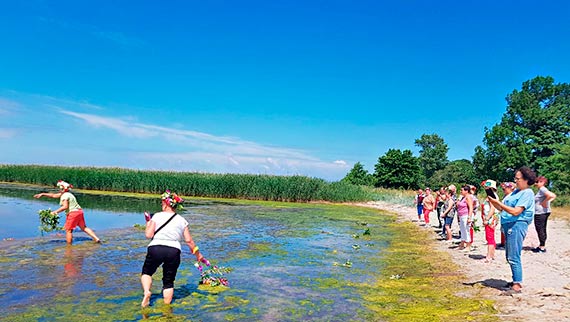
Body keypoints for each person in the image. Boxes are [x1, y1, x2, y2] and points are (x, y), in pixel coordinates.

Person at [141, 190, 210, 308]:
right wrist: (198, 255)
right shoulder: (182, 220)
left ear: (167, 203)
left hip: (156, 248)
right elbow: (189, 241)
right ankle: (167, 310)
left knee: (147, 272)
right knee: (168, 281)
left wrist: (148, 222)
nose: (161, 204)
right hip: (173, 251)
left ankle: (147, 291)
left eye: (162, 202)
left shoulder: (157, 216)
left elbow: (148, 235)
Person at [487, 166, 536, 294]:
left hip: (517, 224)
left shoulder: (527, 193)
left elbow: (516, 211)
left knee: (514, 256)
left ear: (526, 180)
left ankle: (517, 285)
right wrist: (492, 199)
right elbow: (501, 208)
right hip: (509, 224)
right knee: (509, 255)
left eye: (518, 178)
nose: (516, 181)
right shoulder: (514, 193)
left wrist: (499, 204)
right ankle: (515, 280)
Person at [34, 180, 101, 244]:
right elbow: (54, 195)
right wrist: (42, 194)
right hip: (79, 212)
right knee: (84, 227)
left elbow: (65, 207)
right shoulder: (68, 194)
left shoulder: (64, 196)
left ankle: (69, 246)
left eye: (60, 188)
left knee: (68, 230)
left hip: (73, 213)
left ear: (62, 189)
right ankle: (96, 238)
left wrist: (55, 212)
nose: (59, 190)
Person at [533, 176, 557, 253]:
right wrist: (547, 202)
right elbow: (553, 195)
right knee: (542, 228)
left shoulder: (543, 189)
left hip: (541, 212)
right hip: (543, 212)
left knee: (540, 228)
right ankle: (541, 245)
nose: (536, 183)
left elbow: (551, 196)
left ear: (542, 182)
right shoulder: (541, 190)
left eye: (538, 182)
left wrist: (544, 202)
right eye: (536, 182)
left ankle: (542, 247)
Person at [480, 180, 499, 262]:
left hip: (490, 219)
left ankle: (489, 256)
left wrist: (487, 219)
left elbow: (492, 208)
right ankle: (492, 254)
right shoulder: (492, 196)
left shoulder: (492, 196)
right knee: (491, 237)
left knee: (490, 237)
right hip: (492, 218)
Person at [456, 185, 474, 250]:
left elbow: (471, 207)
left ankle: (468, 245)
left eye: (462, 190)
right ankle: (462, 243)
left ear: (466, 191)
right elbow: (457, 204)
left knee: (466, 230)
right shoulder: (463, 197)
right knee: (462, 230)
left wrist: (469, 217)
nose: (461, 191)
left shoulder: (468, 197)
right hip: (461, 215)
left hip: (465, 215)